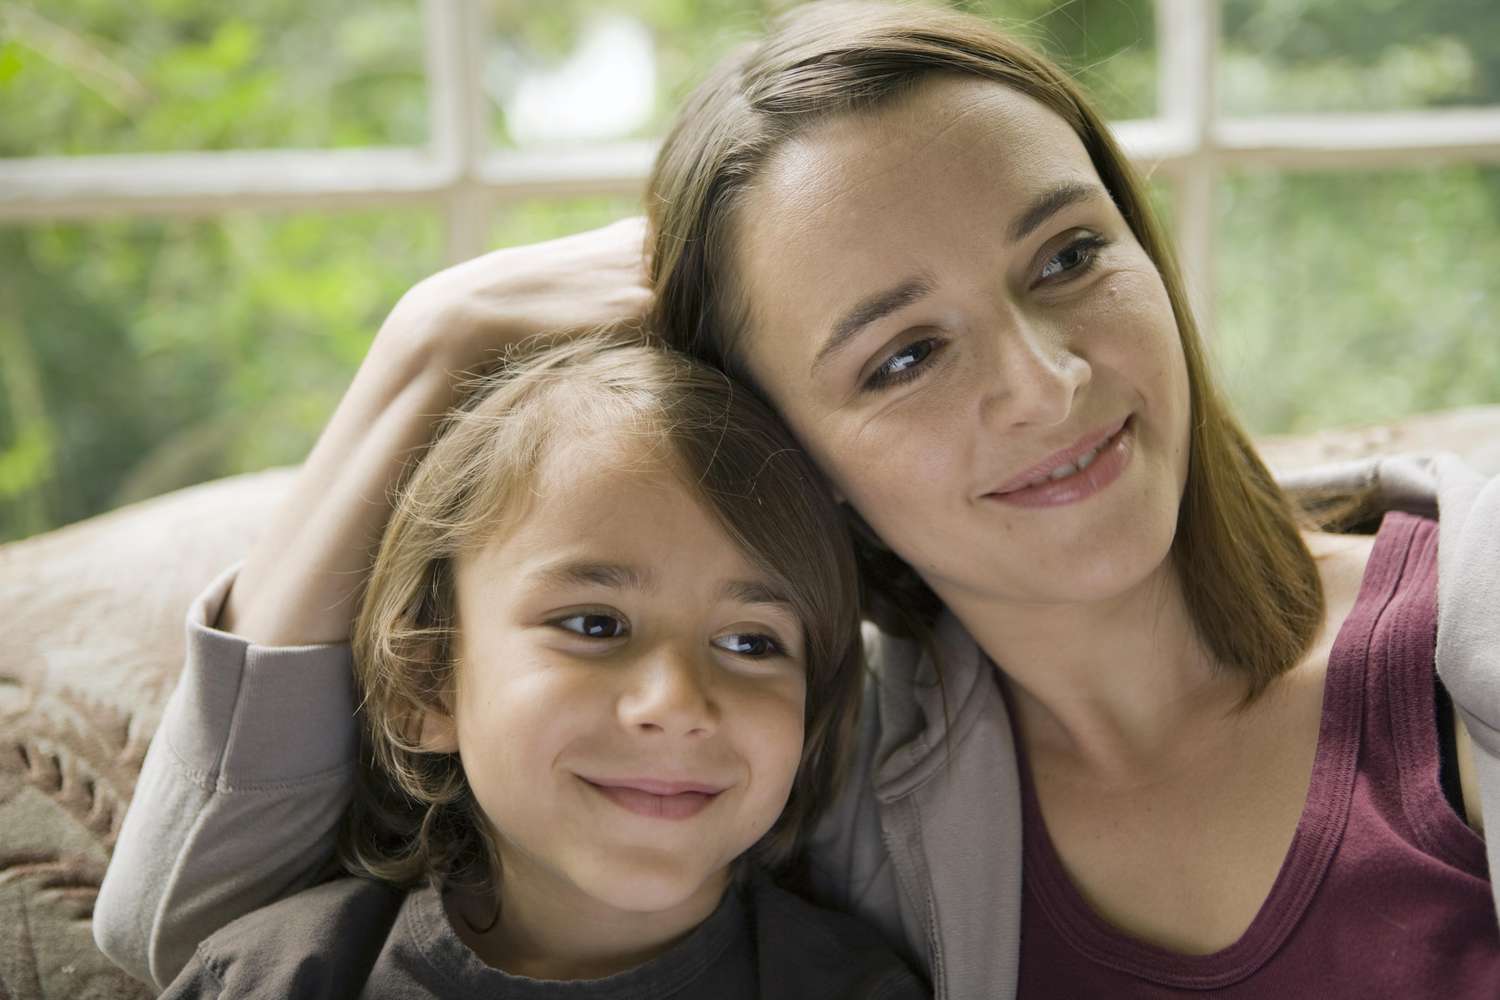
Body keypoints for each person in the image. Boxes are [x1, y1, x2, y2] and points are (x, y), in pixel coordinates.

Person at [97, 3, 1500, 997]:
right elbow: (197, 929)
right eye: (901, 354)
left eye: (1070, 255)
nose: (1045, 379)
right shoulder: (816, 762)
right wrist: (427, 347)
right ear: (802, 468)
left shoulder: (1461, 635)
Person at [148, 334, 924, 998]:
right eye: (595, 625)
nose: (677, 701)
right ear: (427, 684)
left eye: (753, 643)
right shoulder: (276, 979)